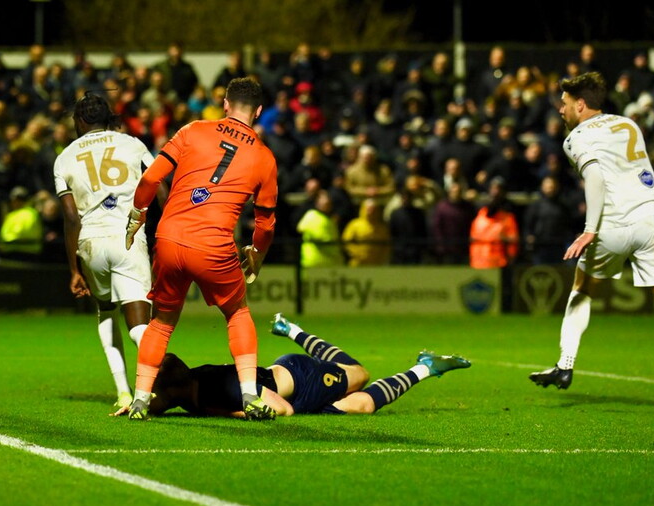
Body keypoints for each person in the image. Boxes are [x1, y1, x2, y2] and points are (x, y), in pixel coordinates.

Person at [123, 78, 278, 421]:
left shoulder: (192, 130)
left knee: (162, 322)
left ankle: (140, 400)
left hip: (169, 238)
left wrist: (137, 215)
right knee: (237, 313)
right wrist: (257, 255)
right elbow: (266, 224)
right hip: (213, 245)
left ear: (225, 104)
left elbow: (150, 179)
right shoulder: (265, 157)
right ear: (258, 112)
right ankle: (250, 396)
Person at [531, 72, 654, 390]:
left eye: (564, 103)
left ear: (580, 104)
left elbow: (595, 176)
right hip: (651, 218)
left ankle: (565, 365)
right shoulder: (628, 124)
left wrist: (590, 229)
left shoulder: (575, 138)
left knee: (582, 288)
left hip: (612, 225)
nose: (560, 110)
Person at [142, 313, 471, 417]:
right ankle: (427, 367)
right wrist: (136, 403)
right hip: (300, 395)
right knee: (363, 405)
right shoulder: (185, 392)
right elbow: (159, 400)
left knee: (360, 374)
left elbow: (281, 409)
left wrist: (238, 412)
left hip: (302, 377)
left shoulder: (220, 388)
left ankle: (291, 330)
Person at [53, 93, 155, 411]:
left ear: (80, 120)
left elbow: (71, 218)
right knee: (140, 325)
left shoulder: (64, 158)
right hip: (129, 238)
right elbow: (159, 186)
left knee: (106, 310)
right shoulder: (133, 145)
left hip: (92, 242)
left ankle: (123, 392)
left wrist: (74, 269)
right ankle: (161, 382)